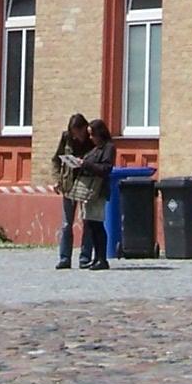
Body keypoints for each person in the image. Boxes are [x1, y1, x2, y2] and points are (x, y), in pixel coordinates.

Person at [75, 119, 117, 270]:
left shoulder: (109, 148)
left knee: (98, 225)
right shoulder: (94, 149)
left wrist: (86, 164)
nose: (91, 138)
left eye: (92, 135)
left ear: (100, 133)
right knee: (90, 224)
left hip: (98, 191)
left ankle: (102, 258)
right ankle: (95, 257)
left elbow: (105, 168)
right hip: (88, 191)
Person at [52, 114, 92, 269]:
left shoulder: (91, 139)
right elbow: (56, 160)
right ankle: (64, 258)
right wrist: (57, 179)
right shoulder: (66, 138)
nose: (76, 136)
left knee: (87, 221)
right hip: (69, 184)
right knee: (67, 223)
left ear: (84, 128)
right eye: (74, 132)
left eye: (79, 132)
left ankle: (85, 257)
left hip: (86, 184)